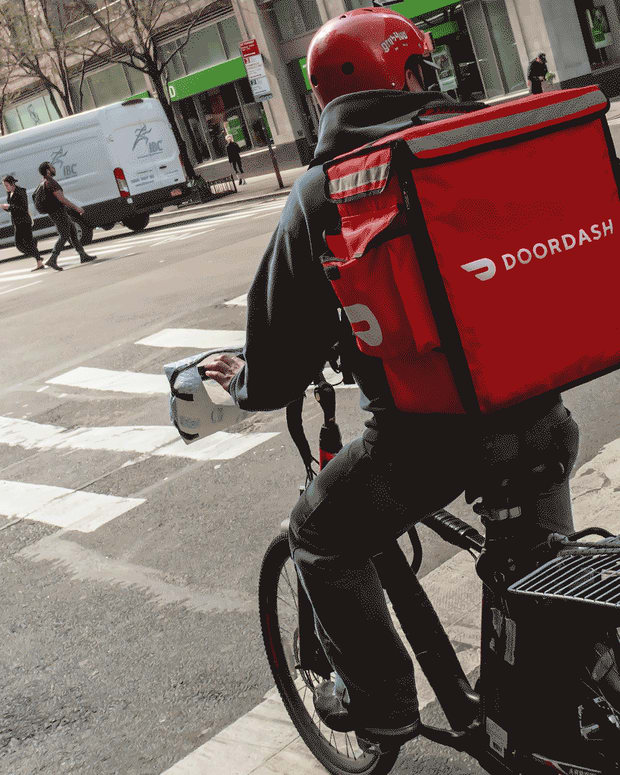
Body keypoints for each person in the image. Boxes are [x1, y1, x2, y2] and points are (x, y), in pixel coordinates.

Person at [200, 7, 579, 749]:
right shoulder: (482, 141)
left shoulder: (325, 192)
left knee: (318, 533)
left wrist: (245, 380)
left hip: (429, 445)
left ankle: (380, 702)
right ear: (412, 74)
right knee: (555, 596)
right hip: (542, 416)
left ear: (323, 97)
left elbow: (276, 361)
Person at [37, 161, 97, 270]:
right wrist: (76, 208)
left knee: (73, 232)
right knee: (64, 235)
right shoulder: (50, 182)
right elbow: (61, 199)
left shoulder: (43, 182)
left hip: (56, 212)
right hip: (58, 213)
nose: (54, 168)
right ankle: (52, 259)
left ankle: (83, 255)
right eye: (51, 167)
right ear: (47, 171)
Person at [1, 175, 45, 271]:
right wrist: (6, 208)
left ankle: (38, 260)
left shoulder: (20, 192)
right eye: (4, 186)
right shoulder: (10, 193)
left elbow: (23, 208)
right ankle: (38, 257)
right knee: (21, 244)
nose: (5, 187)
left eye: (6, 185)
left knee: (21, 245)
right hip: (17, 222)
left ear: (12, 184)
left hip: (24, 221)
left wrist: (9, 207)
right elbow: (12, 209)